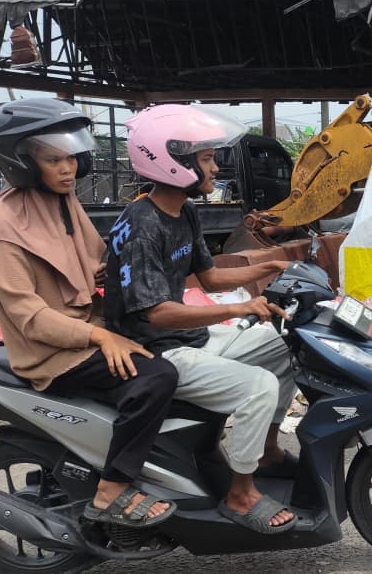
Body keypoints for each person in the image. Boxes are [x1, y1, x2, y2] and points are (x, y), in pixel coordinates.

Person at [0, 98, 178, 528]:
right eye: (53, 160)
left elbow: (95, 260)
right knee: (156, 378)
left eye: (71, 158)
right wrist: (101, 337)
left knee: (175, 343)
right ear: (21, 162)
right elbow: (30, 316)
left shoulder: (61, 202)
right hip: (51, 352)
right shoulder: (1, 226)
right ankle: (112, 489)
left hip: (87, 327)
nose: (68, 169)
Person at [103, 103, 299, 534]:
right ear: (172, 161)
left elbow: (209, 277)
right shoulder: (141, 224)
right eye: (207, 159)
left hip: (189, 338)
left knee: (287, 346)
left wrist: (270, 266)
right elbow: (156, 313)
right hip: (156, 351)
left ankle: (265, 450)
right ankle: (241, 493)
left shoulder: (183, 211)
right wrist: (240, 307)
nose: (215, 169)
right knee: (258, 388)